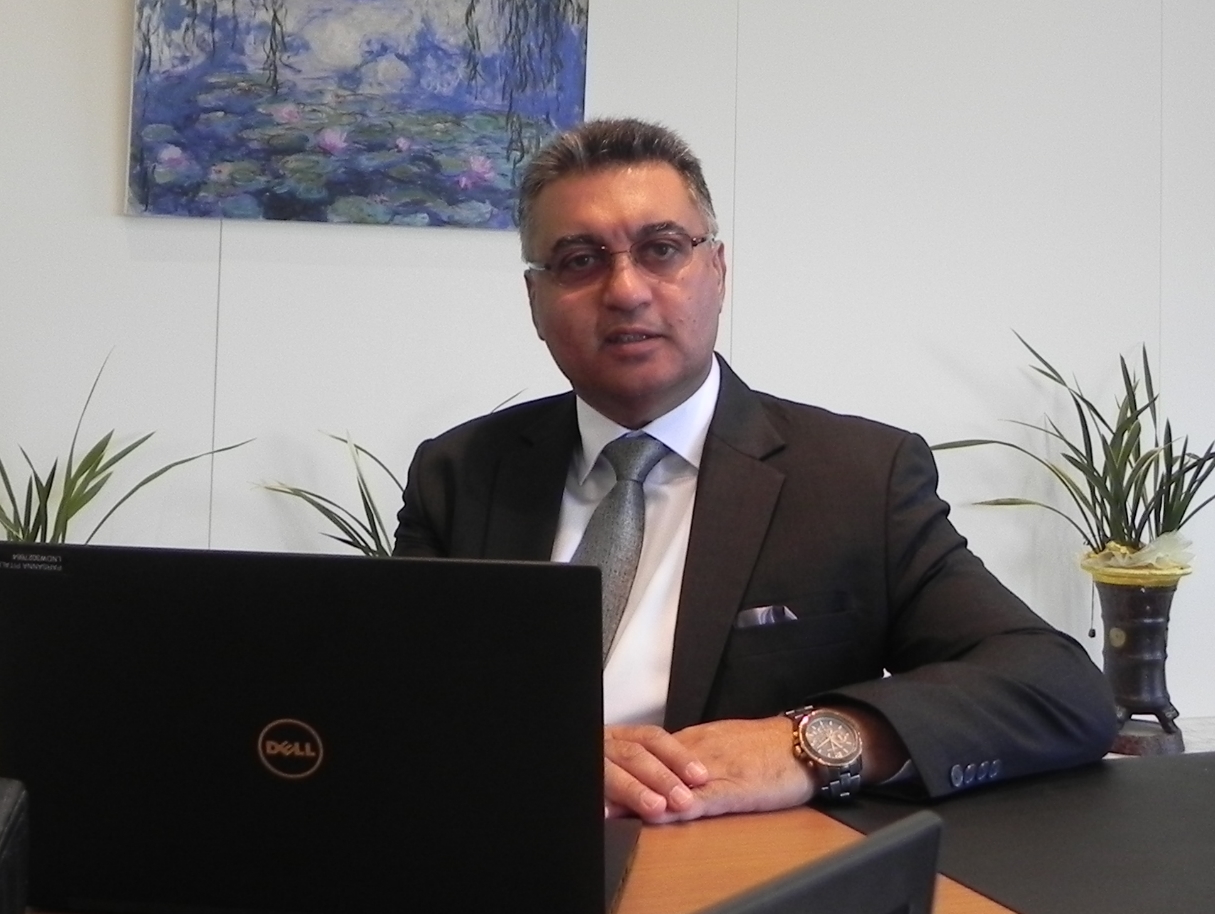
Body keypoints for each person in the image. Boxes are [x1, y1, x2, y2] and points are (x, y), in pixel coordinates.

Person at [393, 118, 1117, 824]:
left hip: (741, 867)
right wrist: (548, 752)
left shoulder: (858, 480)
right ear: (535, 301)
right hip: (506, 853)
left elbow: (1054, 687)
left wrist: (810, 743)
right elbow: (395, 705)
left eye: (661, 249)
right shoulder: (460, 475)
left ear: (717, 271)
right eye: (580, 260)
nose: (626, 290)